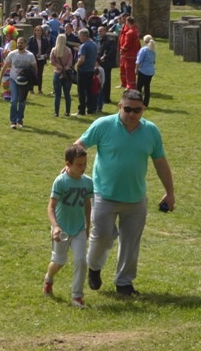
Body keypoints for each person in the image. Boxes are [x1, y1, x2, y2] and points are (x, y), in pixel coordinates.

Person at [75, 89, 176, 296]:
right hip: (104, 194)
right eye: (127, 109)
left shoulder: (151, 131)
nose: (132, 114)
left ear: (143, 109)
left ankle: (124, 283)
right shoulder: (103, 125)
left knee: (130, 243)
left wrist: (170, 192)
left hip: (135, 198)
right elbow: (79, 145)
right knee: (102, 236)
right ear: (120, 107)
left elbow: (160, 162)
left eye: (137, 110)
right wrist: (70, 168)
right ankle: (94, 268)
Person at [43, 144, 94, 308]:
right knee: (59, 262)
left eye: (85, 164)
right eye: (79, 164)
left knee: (81, 260)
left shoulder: (87, 182)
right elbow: (50, 207)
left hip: (78, 228)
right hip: (62, 229)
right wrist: (56, 227)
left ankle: (77, 297)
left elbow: (87, 205)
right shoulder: (61, 181)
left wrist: (87, 226)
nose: (83, 168)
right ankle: (49, 278)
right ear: (68, 164)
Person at [0, 36, 37, 129]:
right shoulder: (12, 54)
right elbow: (5, 66)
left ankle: (20, 119)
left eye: (22, 43)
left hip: (25, 82)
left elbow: (35, 69)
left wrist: (33, 81)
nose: (20, 44)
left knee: (22, 101)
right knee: (14, 100)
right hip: (13, 79)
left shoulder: (30, 55)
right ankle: (13, 121)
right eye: (18, 43)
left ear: (25, 44)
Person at [74, 28, 97, 117]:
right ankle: (90, 109)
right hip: (91, 70)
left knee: (81, 91)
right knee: (89, 90)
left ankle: (81, 110)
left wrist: (77, 65)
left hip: (83, 70)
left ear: (84, 36)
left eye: (79, 36)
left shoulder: (84, 46)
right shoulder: (94, 44)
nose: (79, 37)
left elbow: (82, 59)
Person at [50, 33, 74, 117]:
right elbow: (70, 63)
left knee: (57, 95)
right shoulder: (68, 50)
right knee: (67, 94)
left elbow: (52, 62)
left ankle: (56, 112)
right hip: (67, 73)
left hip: (57, 73)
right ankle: (67, 112)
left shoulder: (54, 50)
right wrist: (65, 67)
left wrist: (60, 67)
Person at [27, 24, 51, 95]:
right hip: (33, 59)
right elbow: (28, 48)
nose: (39, 32)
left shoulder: (44, 40)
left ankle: (40, 89)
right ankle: (31, 89)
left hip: (41, 59)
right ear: (35, 31)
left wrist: (46, 54)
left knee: (40, 74)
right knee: (32, 73)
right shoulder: (31, 39)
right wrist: (35, 54)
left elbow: (48, 48)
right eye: (37, 31)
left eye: (40, 31)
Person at [96, 25, 117, 104]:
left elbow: (112, 52)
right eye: (98, 31)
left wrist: (105, 57)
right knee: (100, 80)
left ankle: (106, 98)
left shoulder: (110, 41)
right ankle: (100, 96)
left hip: (107, 64)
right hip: (99, 63)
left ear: (105, 31)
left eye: (101, 31)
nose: (99, 33)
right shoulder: (99, 40)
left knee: (106, 81)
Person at [118, 16, 140, 90]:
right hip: (133, 54)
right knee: (126, 70)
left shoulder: (130, 32)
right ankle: (126, 84)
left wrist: (122, 50)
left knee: (129, 71)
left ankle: (131, 86)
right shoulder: (136, 30)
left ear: (128, 22)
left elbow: (127, 44)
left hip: (129, 55)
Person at [135, 35, 156, 107]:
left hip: (143, 70)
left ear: (145, 41)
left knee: (139, 87)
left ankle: (137, 101)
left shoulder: (143, 50)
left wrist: (136, 69)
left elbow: (138, 61)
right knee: (147, 87)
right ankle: (145, 103)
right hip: (150, 71)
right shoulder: (153, 49)